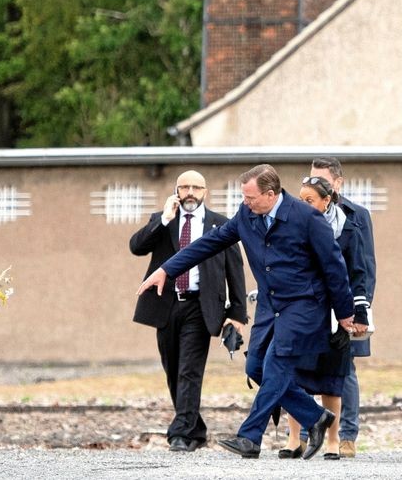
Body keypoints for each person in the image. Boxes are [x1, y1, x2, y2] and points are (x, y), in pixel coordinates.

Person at [136, 164, 355, 460]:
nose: (245, 203)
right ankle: (315, 417)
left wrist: (344, 313)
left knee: (276, 365)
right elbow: (209, 243)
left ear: (270, 193)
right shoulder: (247, 215)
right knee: (256, 368)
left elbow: (334, 267)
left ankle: (249, 438)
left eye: (250, 198)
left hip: (304, 304)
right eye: (244, 198)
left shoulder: (307, 218)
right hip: (270, 305)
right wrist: (166, 269)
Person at [129, 170, 248, 453]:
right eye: (185, 187)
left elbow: (236, 270)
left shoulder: (221, 224)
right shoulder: (163, 220)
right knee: (172, 369)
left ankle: (180, 433)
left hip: (200, 305)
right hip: (165, 304)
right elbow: (136, 247)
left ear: (205, 191)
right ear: (176, 191)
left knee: (189, 370)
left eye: (196, 187)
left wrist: (239, 313)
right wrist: (163, 219)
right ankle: (195, 429)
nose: (190, 192)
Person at [279, 176, 368, 459]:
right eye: (300, 200)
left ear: (326, 200)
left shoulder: (349, 230)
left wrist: (359, 312)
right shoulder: (292, 228)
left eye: (310, 201)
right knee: (295, 377)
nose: (303, 206)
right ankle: (295, 439)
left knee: (332, 379)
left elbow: (358, 273)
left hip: (335, 315)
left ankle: (333, 441)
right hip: (300, 312)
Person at [308, 156, 377, 458]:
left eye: (322, 180)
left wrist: (361, 309)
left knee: (345, 371)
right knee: (305, 366)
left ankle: (347, 435)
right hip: (310, 307)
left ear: (338, 183)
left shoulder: (357, 215)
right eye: (311, 179)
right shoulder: (304, 212)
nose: (315, 185)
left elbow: (365, 266)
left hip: (345, 309)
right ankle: (302, 434)